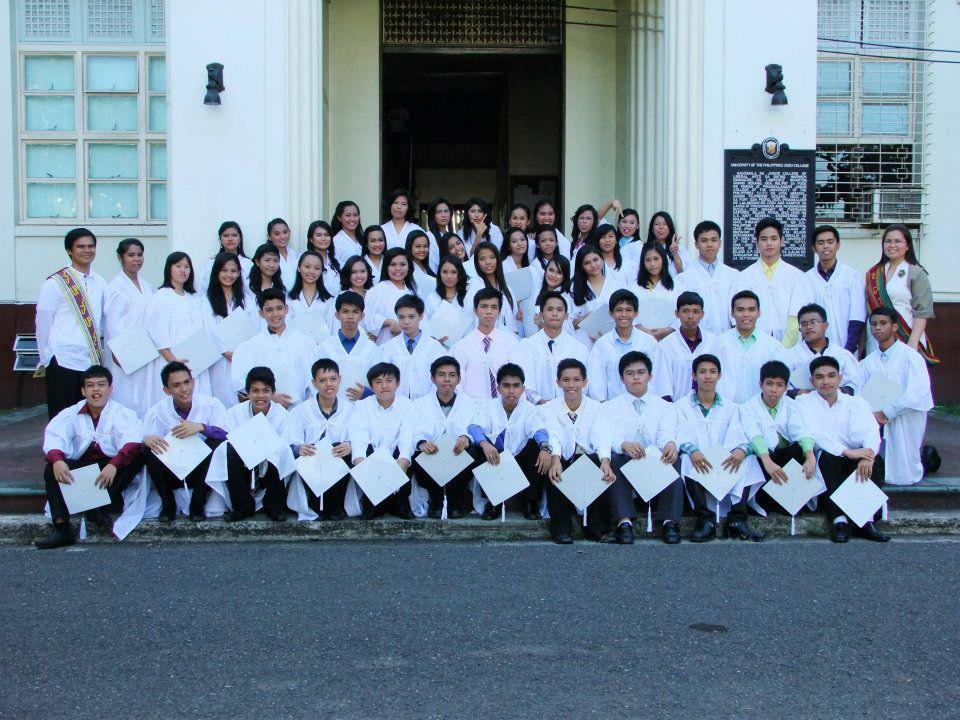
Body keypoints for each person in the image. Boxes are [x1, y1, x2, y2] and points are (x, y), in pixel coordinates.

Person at [35, 365, 143, 549]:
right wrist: (57, 460)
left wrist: (114, 465)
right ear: (83, 391)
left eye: (101, 385)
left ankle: (97, 507)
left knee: (136, 458)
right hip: (83, 471)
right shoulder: (71, 413)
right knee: (51, 468)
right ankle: (62, 529)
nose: (96, 390)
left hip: (109, 472)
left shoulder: (122, 413)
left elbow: (132, 442)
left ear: (110, 388)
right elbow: (55, 437)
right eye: (90, 385)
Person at [796, 356, 887, 543]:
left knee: (876, 461)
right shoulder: (804, 402)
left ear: (840, 378)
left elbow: (871, 432)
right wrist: (846, 452)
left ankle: (865, 522)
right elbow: (814, 435)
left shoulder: (857, 403)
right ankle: (839, 521)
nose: (826, 381)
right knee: (829, 458)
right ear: (812, 381)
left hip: (856, 455)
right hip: (826, 457)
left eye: (831, 376)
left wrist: (868, 455)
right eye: (820, 377)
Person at [603, 350, 685, 544]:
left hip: (654, 462)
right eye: (630, 373)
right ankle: (624, 522)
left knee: (673, 458)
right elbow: (605, 437)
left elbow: (666, 432)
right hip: (627, 461)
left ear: (650, 376)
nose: (636, 377)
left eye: (641, 372)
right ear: (621, 378)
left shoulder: (664, 406)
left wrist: (670, 443)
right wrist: (623, 445)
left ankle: (670, 521)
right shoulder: (609, 407)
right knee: (614, 459)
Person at [737, 360, 817, 541]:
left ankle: (788, 498)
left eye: (779, 385)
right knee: (758, 454)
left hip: (784, 461)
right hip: (765, 461)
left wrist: (810, 455)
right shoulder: (748, 407)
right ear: (761, 384)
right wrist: (767, 461)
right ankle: (768, 499)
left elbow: (800, 430)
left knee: (800, 448)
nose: (774, 390)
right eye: (769, 384)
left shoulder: (791, 405)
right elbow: (753, 434)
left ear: (786, 387)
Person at [206, 366, 297, 522]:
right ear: (248, 393)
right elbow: (226, 435)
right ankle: (242, 507)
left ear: (273, 393)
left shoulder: (282, 415)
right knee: (228, 448)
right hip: (242, 468)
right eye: (255, 391)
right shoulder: (235, 412)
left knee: (282, 450)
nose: (260, 396)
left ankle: (274, 506)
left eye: (265, 391)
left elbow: (287, 444)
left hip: (269, 470)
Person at [676, 354, 750, 542]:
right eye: (702, 372)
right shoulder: (681, 406)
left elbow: (741, 435)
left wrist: (740, 450)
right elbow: (678, 435)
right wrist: (693, 450)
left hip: (724, 462)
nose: (707, 376)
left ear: (720, 375)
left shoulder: (731, 408)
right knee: (685, 459)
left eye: (712, 372)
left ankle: (737, 519)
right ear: (694, 376)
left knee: (749, 459)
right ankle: (705, 519)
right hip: (700, 462)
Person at [541, 359, 615, 545]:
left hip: (587, 458)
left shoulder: (597, 408)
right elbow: (554, 435)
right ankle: (561, 529)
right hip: (564, 456)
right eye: (566, 380)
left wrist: (605, 461)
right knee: (554, 469)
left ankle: (597, 529)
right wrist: (555, 459)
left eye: (576, 380)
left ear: (585, 382)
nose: (571, 385)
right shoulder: (549, 408)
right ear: (558, 382)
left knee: (601, 468)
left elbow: (601, 437)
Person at [142, 361, 227, 522]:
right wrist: (147, 439)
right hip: (173, 471)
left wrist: (201, 427)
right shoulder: (158, 411)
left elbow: (228, 434)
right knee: (148, 447)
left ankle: (197, 504)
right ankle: (168, 504)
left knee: (216, 443)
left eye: (187, 382)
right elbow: (149, 440)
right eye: (176, 385)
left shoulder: (210, 405)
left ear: (193, 382)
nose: (184, 389)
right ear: (167, 390)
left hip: (202, 472)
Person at [36, 227, 107, 418]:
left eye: (91, 246)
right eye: (81, 246)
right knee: (62, 418)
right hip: (62, 360)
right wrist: (47, 358)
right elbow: (43, 323)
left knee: (88, 418)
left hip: (90, 362)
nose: (87, 250)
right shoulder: (55, 283)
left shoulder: (100, 282)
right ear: (69, 250)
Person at [467, 363, 553, 520]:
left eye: (516, 386)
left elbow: (539, 430)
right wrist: (485, 444)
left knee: (537, 447)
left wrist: (545, 448)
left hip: (521, 461)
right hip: (497, 459)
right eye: (506, 385)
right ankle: (494, 502)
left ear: (522, 389)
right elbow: (474, 426)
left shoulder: (529, 409)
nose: (511, 390)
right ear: (498, 388)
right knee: (480, 445)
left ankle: (530, 502)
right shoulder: (488, 407)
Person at [859, 307, 933, 486]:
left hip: (905, 417)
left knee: (904, 470)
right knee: (881, 461)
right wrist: (873, 414)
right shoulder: (868, 362)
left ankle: (929, 459)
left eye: (883, 323)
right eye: (873, 324)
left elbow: (918, 392)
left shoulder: (910, 357)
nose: (877, 328)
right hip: (877, 419)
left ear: (894, 327)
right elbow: (860, 393)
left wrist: (888, 412)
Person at [412, 356, 481, 518]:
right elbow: (413, 430)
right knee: (418, 455)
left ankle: (454, 501)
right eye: (441, 374)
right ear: (433, 378)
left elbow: (476, 424)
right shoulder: (419, 404)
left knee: (472, 452)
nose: (447, 379)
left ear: (459, 379)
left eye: (452, 375)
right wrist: (421, 442)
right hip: (432, 453)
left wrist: (466, 437)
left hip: (456, 453)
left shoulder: (470, 403)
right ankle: (436, 501)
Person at [143, 252, 211, 410]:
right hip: (172, 360)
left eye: (186, 267)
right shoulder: (161, 297)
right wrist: (173, 362)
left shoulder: (194, 298)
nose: (183, 270)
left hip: (197, 361)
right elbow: (157, 334)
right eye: (178, 266)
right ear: (169, 269)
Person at [348, 362, 416, 519]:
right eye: (378, 382)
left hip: (396, 456)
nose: (384, 386)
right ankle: (372, 504)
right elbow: (358, 437)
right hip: (372, 458)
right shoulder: (361, 406)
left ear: (398, 383)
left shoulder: (408, 405)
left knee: (406, 453)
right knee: (363, 453)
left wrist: (404, 459)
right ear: (371, 387)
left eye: (389, 381)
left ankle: (401, 501)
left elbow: (407, 436)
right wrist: (360, 462)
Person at [289, 358, 354, 521]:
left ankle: (335, 506)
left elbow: (358, 436)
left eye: (333, 379)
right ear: (314, 383)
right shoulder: (301, 411)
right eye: (322, 380)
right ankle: (316, 505)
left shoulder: (350, 410)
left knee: (339, 447)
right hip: (312, 464)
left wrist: (350, 445)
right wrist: (299, 448)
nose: (329, 384)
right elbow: (291, 440)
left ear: (339, 379)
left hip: (339, 465)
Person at [231, 289, 319, 409]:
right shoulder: (251, 346)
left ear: (286, 309)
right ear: (261, 313)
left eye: (279, 308)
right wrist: (270, 397)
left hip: (299, 410)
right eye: (269, 310)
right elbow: (240, 383)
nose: (275, 314)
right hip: (265, 410)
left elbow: (314, 382)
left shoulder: (305, 344)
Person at [865, 224, 937, 363]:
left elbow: (922, 312)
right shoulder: (873, 273)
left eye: (898, 241)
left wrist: (912, 342)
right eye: (888, 241)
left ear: (907, 245)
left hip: (906, 336)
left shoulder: (916, 272)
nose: (892, 245)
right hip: (876, 338)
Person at [736, 217, 810, 346]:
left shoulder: (796, 276)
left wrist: (784, 348)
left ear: (782, 241)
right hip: (753, 345)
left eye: (774, 238)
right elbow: (740, 314)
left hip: (788, 347)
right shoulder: (745, 277)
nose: (769, 243)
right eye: (764, 239)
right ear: (757, 242)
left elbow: (796, 316)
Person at [102, 238, 155, 415]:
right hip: (126, 350)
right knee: (127, 392)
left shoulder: (147, 286)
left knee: (145, 392)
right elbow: (113, 324)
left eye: (140, 255)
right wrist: (121, 353)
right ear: (120, 257)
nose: (136, 259)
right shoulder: (116, 287)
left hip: (146, 348)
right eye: (131, 255)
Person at [201, 251, 254, 408]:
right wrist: (225, 351)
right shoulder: (207, 300)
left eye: (233, 271)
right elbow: (208, 329)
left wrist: (241, 351)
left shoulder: (246, 299)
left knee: (244, 398)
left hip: (243, 356)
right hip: (220, 359)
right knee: (223, 396)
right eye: (224, 270)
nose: (229, 275)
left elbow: (253, 327)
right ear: (216, 272)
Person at [517, 291, 589, 404]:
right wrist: (539, 401)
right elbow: (525, 380)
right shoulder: (527, 345)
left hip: (570, 408)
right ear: (541, 314)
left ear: (566, 316)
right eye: (550, 309)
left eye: (559, 310)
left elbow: (583, 384)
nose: (554, 313)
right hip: (536, 408)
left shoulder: (578, 348)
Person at [715, 290, 787, 403]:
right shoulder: (719, 343)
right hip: (726, 408)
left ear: (759, 312)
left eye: (751, 309)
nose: (746, 314)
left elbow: (781, 381)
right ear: (732, 313)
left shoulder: (772, 346)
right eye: (740, 310)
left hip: (760, 408)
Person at [586, 289, 657, 401]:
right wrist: (602, 404)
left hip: (645, 404)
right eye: (619, 310)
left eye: (629, 310)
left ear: (636, 313)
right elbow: (596, 382)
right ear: (611, 313)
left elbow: (656, 378)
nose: (624, 315)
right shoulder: (602, 344)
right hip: (613, 406)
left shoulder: (649, 342)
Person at [806, 225, 867, 355]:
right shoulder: (806, 279)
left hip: (847, 347)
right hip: (815, 350)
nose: (826, 246)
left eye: (830, 242)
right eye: (821, 243)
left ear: (838, 245)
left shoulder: (852, 276)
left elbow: (857, 315)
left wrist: (849, 349)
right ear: (814, 248)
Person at [452, 288, 520, 399]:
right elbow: (457, 385)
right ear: (475, 310)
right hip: (472, 406)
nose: (489, 311)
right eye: (484, 306)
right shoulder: (461, 346)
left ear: (499, 311)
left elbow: (519, 378)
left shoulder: (510, 342)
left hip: (504, 405)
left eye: (494, 307)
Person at [675, 220, 740, 336]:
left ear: (720, 243)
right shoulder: (685, 278)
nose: (709, 244)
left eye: (714, 240)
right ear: (696, 244)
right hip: (698, 338)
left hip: (728, 337)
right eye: (704, 240)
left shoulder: (733, 275)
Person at [651, 291, 718, 401]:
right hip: (675, 406)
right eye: (685, 311)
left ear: (702, 314)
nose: (690, 316)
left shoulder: (713, 342)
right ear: (677, 313)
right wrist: (670, 408)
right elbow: (662, 384)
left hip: (708, 404)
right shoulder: (665, 346)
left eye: (695, 312)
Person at [784, 304, 863, 396]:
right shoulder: (790, 355)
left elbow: (854, 385)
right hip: (802, 402)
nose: (808, 327)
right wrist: (799, 393)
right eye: (804, 324)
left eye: (813, 322)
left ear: (825, 325)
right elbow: (782, 385)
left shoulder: (842, 354)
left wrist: (835, 392)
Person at [317, 292, 382, 403]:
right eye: (345, 311)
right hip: (332, 407)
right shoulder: (324, 348)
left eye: (355, 312)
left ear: (362, 316)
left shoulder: (373, 350)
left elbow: (380, 381)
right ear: (337, 315)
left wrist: (367, 393)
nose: (350, 316)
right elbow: (314, 381)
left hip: (364, 407)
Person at [379, 294, 445, 399]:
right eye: (401, 317)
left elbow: (441, 378)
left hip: (427, 403)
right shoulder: (388, 348)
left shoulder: (435, 348)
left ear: (421, 316)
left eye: (411, 317)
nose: (406, 322)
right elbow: (382, 378)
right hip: (397, 403)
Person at [365, 247, 418, 344]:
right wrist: (389, 322)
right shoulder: (377, 291)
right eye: (393, 265)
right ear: (386, 267)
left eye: (402, 264)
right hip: (386, 343)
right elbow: (366, 317)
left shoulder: (413, 290)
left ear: (409, 266)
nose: (398, 268)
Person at [570, 244, 620, 346]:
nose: (593, 265)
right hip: (584, 342)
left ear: (602, 259)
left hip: (612, 340)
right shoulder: (575, 288)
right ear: (582, 267)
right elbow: (569, 323)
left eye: (595, 260)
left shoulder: (616, 285)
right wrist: (583, 319)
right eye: (587, 263)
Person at [629, 242, 678, 340]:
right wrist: (641, 328)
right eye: (648, 260)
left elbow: (684, 312)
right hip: (640, 337)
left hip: (670, 338)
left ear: (663, 259)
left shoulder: (677, 285)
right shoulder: (634, 286)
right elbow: (628, 311)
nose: (652, 264)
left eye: (656, 259)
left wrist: (670, 329)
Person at [424, 256, 474, 346]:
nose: (449, 276)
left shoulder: (469, 295)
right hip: (440, 347)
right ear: (439, 273)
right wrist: (434, 341)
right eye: (445, 272)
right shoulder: (432, 298)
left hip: (468, 345)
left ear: (460, 273)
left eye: (454, 272)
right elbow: (426, 326)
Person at [472, 241, 519, 334]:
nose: (488, 262)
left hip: (509, 338)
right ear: (477, 263)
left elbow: (514, 318)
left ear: (498, 259)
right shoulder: (475, 286)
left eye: (492, 257)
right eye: (482, 259)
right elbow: (472, 320)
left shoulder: (507, 288)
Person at [623, 211, 689, 276]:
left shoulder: (679, 249)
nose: (661, 227)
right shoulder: (644, 249)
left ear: (670, 228)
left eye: (665, 224)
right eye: (657, 224)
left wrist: (675, 254)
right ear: (652, 229)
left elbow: (682, 273)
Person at [286, 250, 335, 338]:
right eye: (307, 267)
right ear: (299, 268)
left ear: (321, 271)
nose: (312, 271)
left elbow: (332, 329)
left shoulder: (329, 301)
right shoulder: (288, 299)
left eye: (317, 268)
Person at [196, 221, 254, 293]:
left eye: (234, 235)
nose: (230, 239)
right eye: (226, 236)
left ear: (240, 238)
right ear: (220, 239)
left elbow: (252, 291)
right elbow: (203, 290)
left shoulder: (248, 264)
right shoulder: (211, 264)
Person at [304, 220, 343, 298]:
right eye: (319, 235)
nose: (323, 238)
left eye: (327, 235)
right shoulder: (305, 261)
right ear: (311, 239)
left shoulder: (336, 260)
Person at [266, 217, 300, 289]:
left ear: (289, 232)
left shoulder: (297, 255)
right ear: (269, 237)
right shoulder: (266, 257)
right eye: (277, 234)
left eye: (285, 232)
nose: (282, 237)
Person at [424, 196, 453, 272]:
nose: (443, 215)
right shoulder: (428, 236)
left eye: (446, 211)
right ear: (432, 215)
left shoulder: (451, 236)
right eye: (438, 212)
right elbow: (431, 265)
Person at [330, 200, 364, 266]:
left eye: (355, 215)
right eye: (348, 215)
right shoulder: (336, 241)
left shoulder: (363, 238)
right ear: (339, 218)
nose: (352, 219)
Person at [405, 229, 435, 295]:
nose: (422, 250)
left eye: (425, 246)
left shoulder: (428, 268)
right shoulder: (406, 270)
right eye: (418, 246)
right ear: (410, 247)